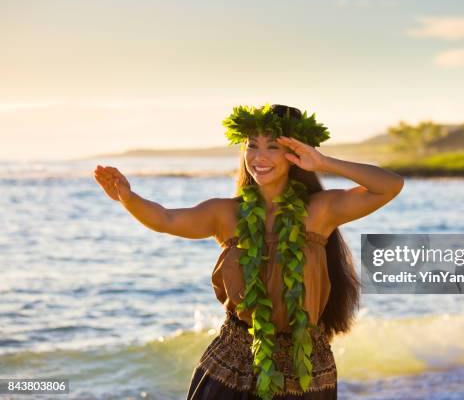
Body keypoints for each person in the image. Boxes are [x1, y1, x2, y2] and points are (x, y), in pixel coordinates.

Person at [93, 104, 404, 399]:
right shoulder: (225, 214)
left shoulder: (319, 211)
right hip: (234, 360)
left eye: (273, 147)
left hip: (305, 364)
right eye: (252, 146)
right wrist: (127, 198)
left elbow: (389, 185)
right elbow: (166, 219)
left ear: (295, 153)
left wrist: (324, 162)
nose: (259, 156)